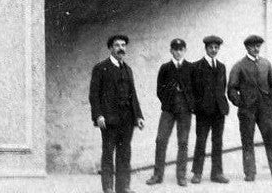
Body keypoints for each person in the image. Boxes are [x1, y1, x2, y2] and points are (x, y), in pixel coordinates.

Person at [226, 34, 272, 183]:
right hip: (247, 110)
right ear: (247, 48)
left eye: (258, 46)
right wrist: (240, 102)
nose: (256, 49)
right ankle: (250, 173)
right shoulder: (239, 66)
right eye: (252, 46)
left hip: (265, 109)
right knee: (247, 140)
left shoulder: (266, 64)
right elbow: (231, 88)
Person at [90, 34, 145, 193]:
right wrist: (98, 115)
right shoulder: (101, 68)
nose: (121, 48)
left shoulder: (128, 69)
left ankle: (123, 188)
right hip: (108, 120)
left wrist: (139, 116)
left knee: (125, 154)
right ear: (110, 48)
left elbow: (133, 95)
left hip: (127, 120)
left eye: (123, 45)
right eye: (117, 45)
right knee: (108, 154)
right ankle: (108, 188)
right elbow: (94, 95)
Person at [147, 38, 194, 187]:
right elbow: (159, 90)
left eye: (181, 49)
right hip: (168, 110)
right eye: (175, 49)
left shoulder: (190, 68)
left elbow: (196, 89)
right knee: (160, 140)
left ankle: (181, 176)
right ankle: (157, 175)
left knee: (183, 142)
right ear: (171, 51)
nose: (178, 52)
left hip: (185, 111)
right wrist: (168, 101)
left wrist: (189, 104)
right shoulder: (165, 68)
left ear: (184, 51)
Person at [189, 35, 230, 184]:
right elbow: (192, 90)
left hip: (219, 110)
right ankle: (197, 173)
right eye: (211, 47)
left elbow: (222, 88)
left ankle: (217, 173)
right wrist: (197, 107)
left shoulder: (221, 67)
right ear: (206, 48)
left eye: (216, 47)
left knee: (217, 142)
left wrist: (223, 105)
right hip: (203, 111)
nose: (214, 50)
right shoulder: (196, 66)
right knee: (201, 141)